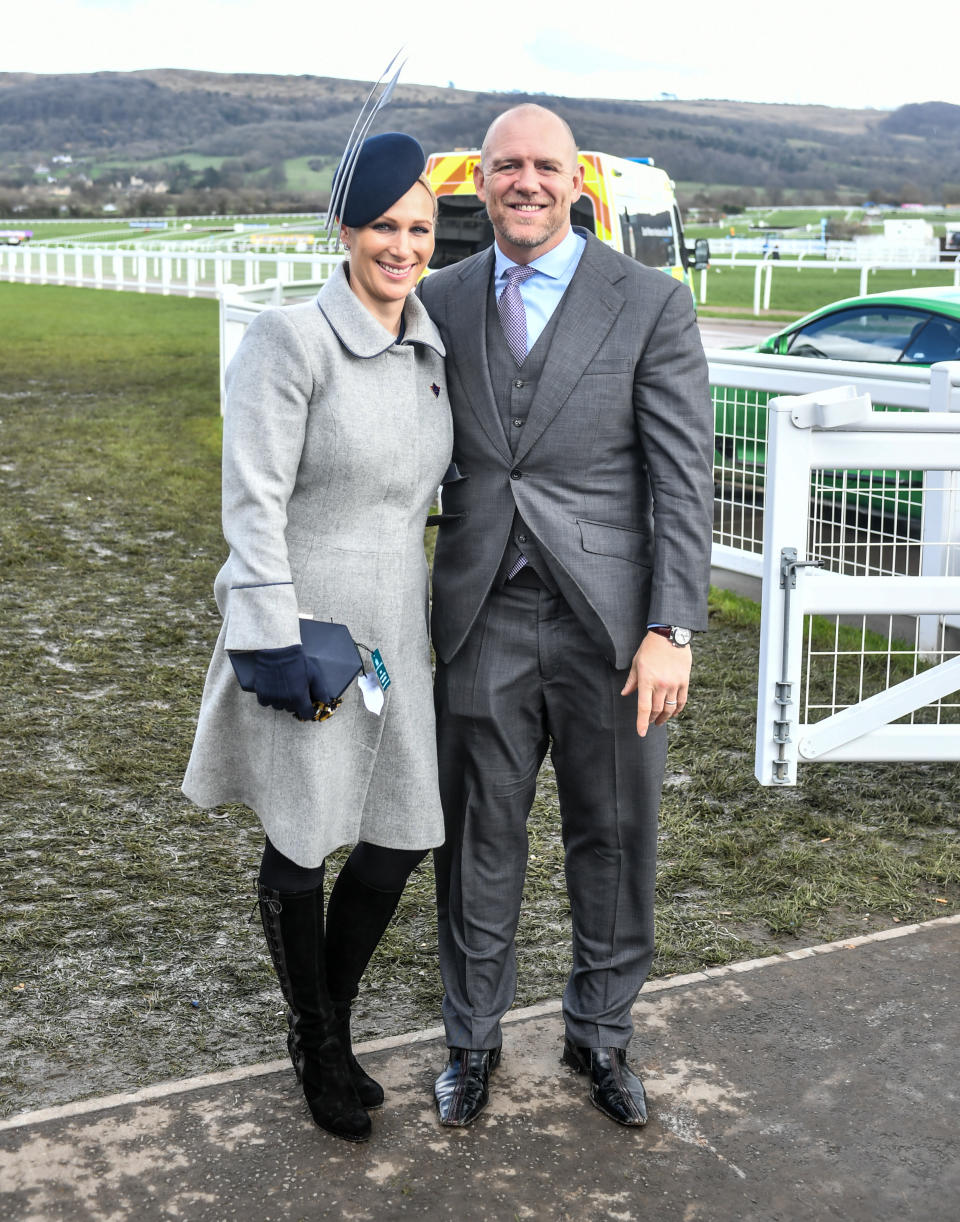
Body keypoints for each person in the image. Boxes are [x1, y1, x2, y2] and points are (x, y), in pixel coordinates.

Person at [419, 104, 714, 1128]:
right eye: (508, 167)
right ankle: (471, 1041)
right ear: (484, 181)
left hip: (614, 628)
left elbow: (682, 478)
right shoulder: (440, 297)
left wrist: (672, 626)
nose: (526, 183)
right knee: (477, 845)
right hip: (479, 616)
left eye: (545, 166)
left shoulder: (648, 302)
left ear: (577, 179)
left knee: (615, 837)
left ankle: (602, 1034)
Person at [182, 132, 453, 1143]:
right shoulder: (290, 340)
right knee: (302, 829)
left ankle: (328, 1019)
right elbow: (250, 502)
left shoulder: (430, 352)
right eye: (384, 224)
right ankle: (317, 1038)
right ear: (345, 229)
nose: (402, 244)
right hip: (308, 623)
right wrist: (266, 636)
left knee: (400, 830)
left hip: (398, 632)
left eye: (419, 227)